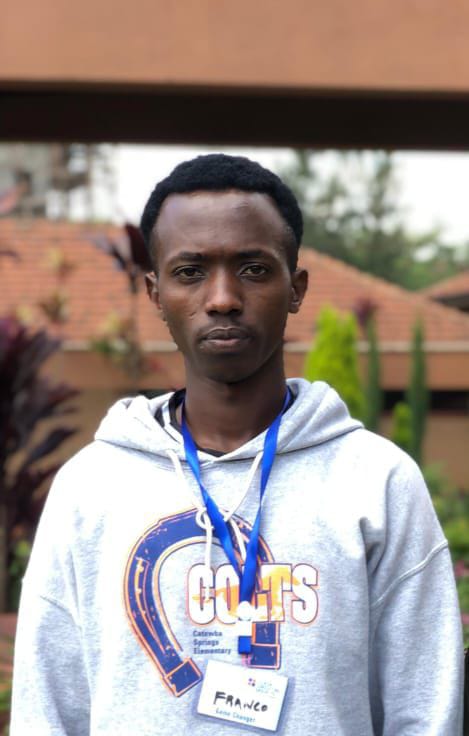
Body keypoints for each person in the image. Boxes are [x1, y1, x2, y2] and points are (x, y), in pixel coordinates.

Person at [11, 154, 463, 735]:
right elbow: (47, 710)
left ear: (295, 288)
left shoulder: (376, 481)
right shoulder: (91, 486)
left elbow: (425, 710)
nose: (223, 297)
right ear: (155, 293)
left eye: (253, 269)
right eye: (190, 271)